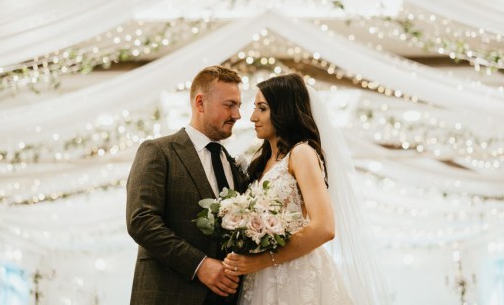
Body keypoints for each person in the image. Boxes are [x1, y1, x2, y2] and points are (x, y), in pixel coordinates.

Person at [222, 73, 388, 305]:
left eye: (262, 108)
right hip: (261, 277)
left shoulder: (301, 154)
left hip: (295, 273)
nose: (252, 117)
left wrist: (263, 260)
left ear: (283, 111)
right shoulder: (261, 162)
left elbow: (324, 227)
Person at [126, 65, 251, 305]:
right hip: (167, 295)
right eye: (229, 105)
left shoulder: (233, 165)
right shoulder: (158, 151)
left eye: (239, 106)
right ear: (200, 103)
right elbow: (141, 220)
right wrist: (199, 265)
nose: (237, 115)